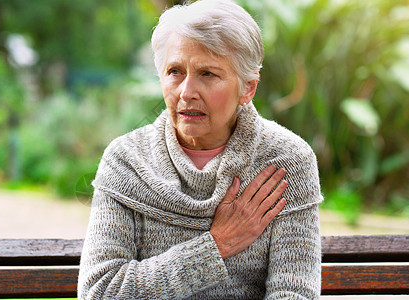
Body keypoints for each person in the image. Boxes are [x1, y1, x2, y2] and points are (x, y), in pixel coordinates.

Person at [78, 0, 323, 299]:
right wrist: (216, 246)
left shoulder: (287, 161)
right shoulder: (126, 161)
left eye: (208, 74)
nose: (187, 92)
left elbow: (294, 293)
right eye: (175, 72)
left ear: (248, 88)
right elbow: (99, 292)